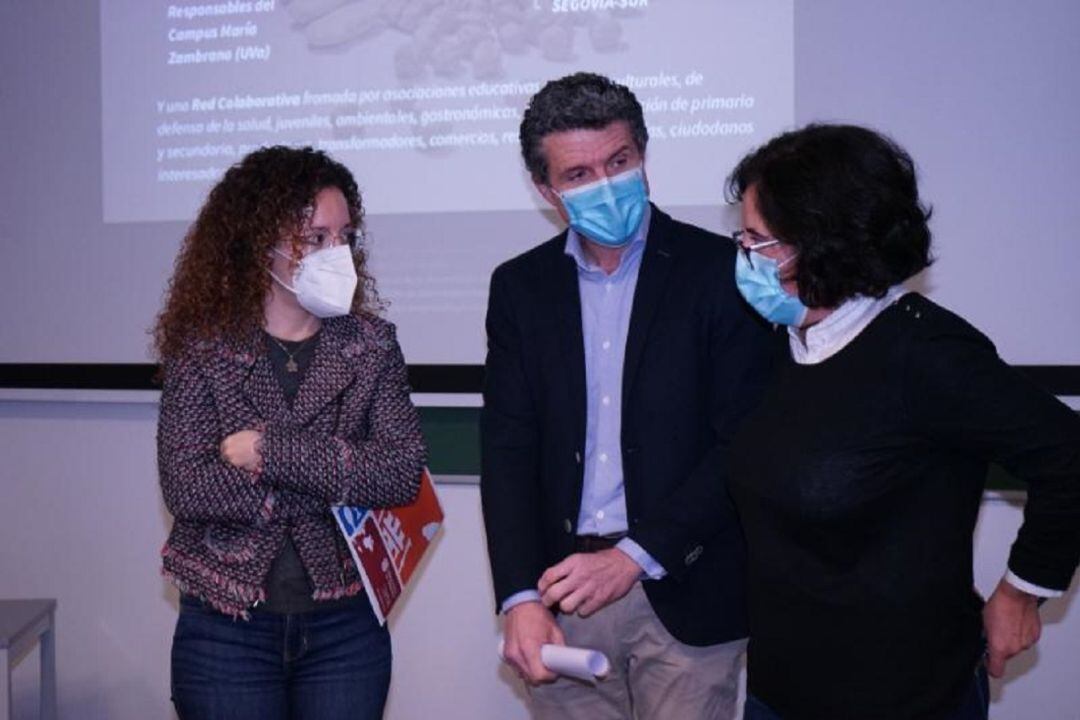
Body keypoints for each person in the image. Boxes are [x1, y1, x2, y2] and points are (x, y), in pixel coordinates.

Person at [724, 123, 1080, 720]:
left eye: (760, 243)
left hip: (905, 698)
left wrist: (1022, 591)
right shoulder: (780, 342)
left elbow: (1068, 455)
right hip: (779, 691)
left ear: (823, 246)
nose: (744, 257)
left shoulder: (927, 354)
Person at [480, 72, 774, 719]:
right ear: (547, 189)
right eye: (579, 174)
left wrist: (636, 556)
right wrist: (519, 596)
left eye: (618, 162)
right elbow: (507, 449)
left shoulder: (722, 273)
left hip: (687, 587)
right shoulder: (520, 289)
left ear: (643, 155)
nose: (605, 185)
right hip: (562, 595)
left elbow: (744, 441)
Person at [154, 145, 426, 719]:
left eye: (343, 235)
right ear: (260, 246)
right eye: (315, 238)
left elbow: (400, 473)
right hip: (226, 629)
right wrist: (336, 478)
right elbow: (190, 489)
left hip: (345, 627)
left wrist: (267, 450)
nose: (337, 252)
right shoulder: (202, 348)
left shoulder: (371, 346)